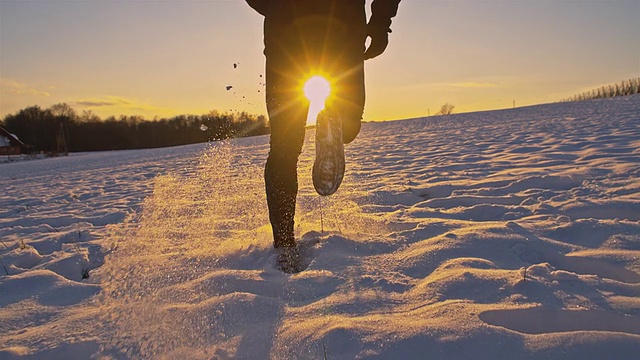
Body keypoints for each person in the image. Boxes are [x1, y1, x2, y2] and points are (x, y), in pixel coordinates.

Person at [246, 0, 401, 273]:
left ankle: (284, 247)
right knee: (323, 132)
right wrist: (380, 21)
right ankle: (284, 243)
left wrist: (274, 8)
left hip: (294, 34)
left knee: (286, 146)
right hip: (338, 31)